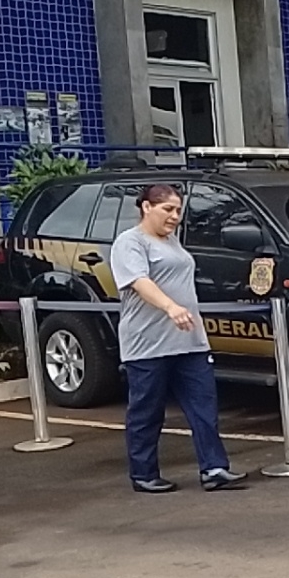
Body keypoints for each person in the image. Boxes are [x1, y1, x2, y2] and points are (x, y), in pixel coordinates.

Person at [109, 183, 247, 494]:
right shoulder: (130, 242)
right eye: (168, 209)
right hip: (147, 344)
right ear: (146, 207)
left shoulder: (172, 241)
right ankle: (144, 474)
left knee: (204, 407)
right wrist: (170, 307)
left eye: (178, 211)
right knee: (147, 411)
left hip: (189, 341)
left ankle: (214, 468)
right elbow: (139, 281)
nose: (175, 216)